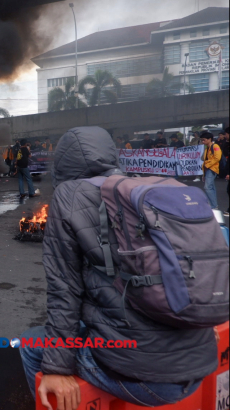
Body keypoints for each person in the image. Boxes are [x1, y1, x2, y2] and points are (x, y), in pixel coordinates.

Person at [20, 126, 215, 409]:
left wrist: (56, 369)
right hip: (200, 361)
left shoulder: (68, 196)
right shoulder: (143, 190)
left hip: (147, 378)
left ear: (63, 162)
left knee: (30, 342)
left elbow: (64, 291)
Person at [201, 131, 222, 209]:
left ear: (209, 139)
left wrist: (208, 165)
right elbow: (203, 158)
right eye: (202, 140)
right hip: (208, 169)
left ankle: (213, 205)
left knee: (208, 187)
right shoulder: (207, 148)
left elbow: (217, 158)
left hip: (212, 168)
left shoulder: (215, 146)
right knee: (211, 187)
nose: (203, 142)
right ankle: (213, 204)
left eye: (204, 140)